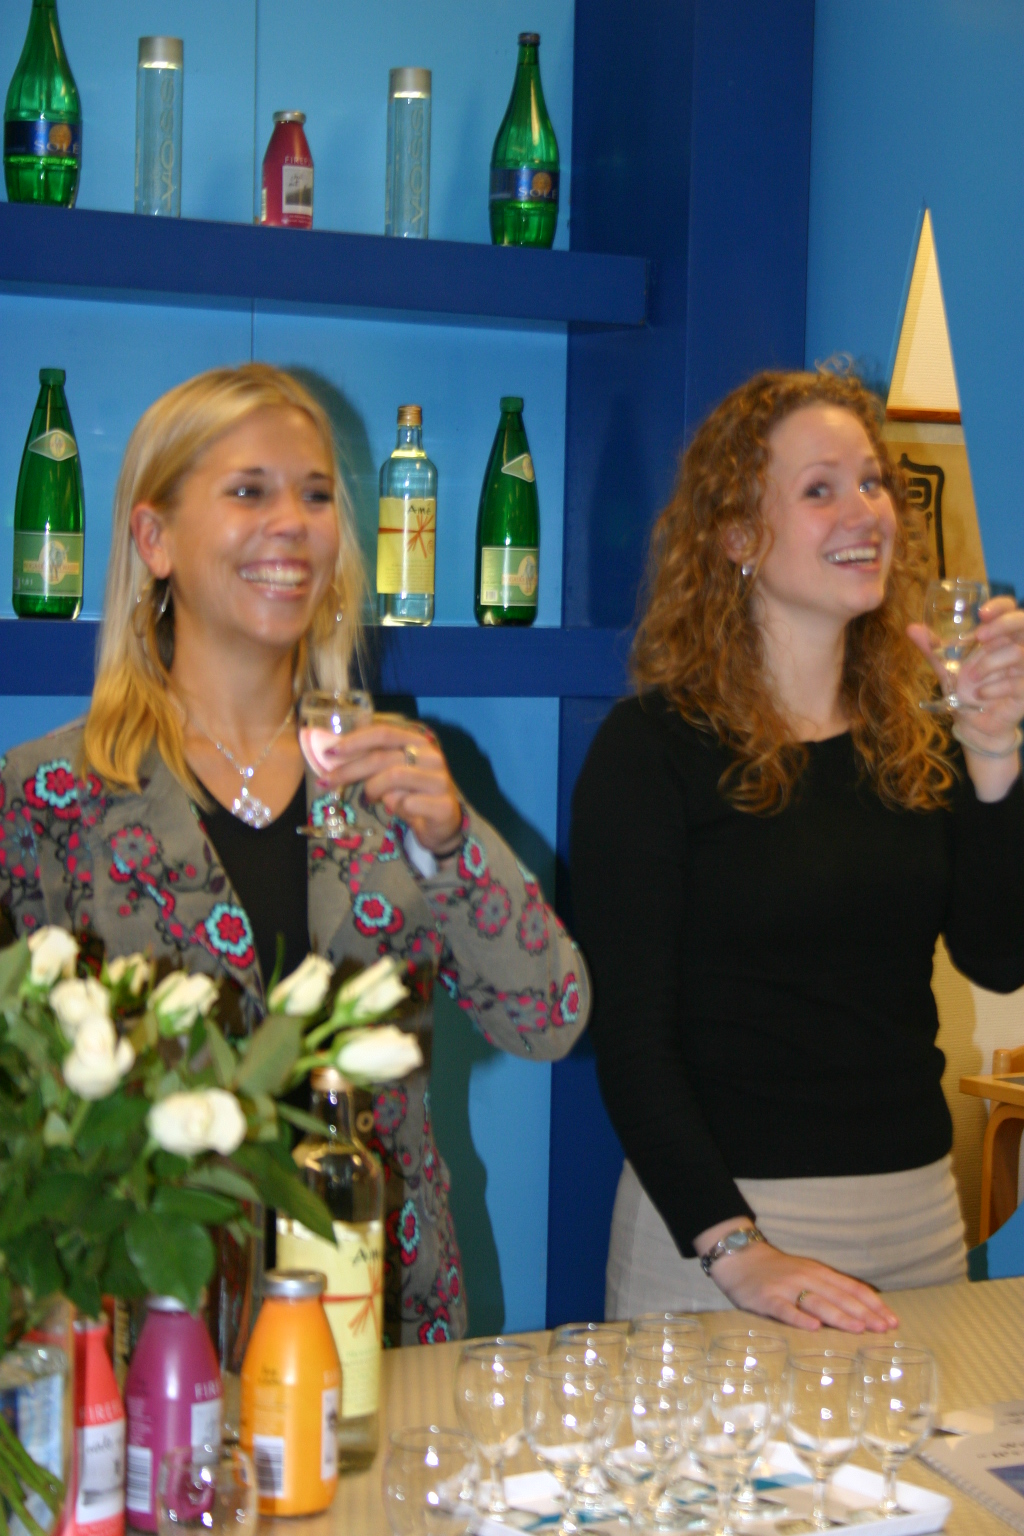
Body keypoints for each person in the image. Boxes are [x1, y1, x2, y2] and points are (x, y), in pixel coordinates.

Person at [0, 362, 589, 1346]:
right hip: (152, 1338)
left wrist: (454, 845)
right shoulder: (49, 794)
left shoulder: (393, 775)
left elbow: (548, 1018)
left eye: (316, 496)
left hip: (384, 1324)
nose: (292, 524)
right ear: (153, 539)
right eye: (248, 491)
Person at [570, 368, 1024, 1333]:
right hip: (721, 1242)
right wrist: (737, 1250)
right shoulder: (651, 749)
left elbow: (1000, 956)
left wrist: (995, 759)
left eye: (872, 483)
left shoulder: (920, 739)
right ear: (738, 535)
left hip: (918, 1225)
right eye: (819, 489)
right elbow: (632, 1043)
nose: (864, 512)